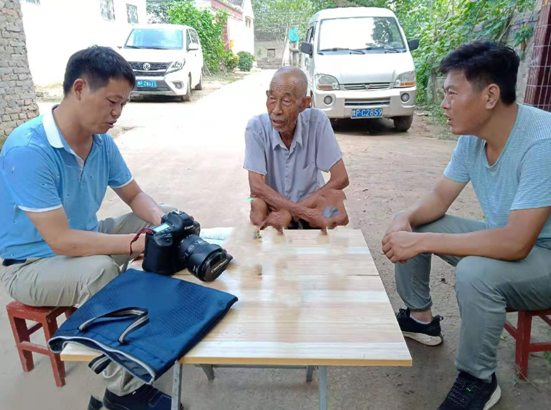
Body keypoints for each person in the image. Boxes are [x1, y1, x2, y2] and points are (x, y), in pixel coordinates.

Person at [0, 46, 181, 410]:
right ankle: (126, 391)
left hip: (87, 236)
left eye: (124, 105)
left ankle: (152, 322)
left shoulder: (101, 143)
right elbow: (62, 240)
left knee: (170, 219)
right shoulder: (28, 149)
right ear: (80, 88)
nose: (116, 113)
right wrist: (134, 245)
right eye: (112, 102)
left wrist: (164, 224)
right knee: (97, 270)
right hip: (31, 264)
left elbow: (135, 196)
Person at [382, 41, 551, 410]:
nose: (443, 103)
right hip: (511, 242)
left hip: (544, 256)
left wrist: (422, 244)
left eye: (452, 93)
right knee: (418, 229)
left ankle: (479, 379)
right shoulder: (475, 137)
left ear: (490, 95)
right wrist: (405, 220)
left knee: (476, 273)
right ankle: (420, 319)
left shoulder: (543, 142)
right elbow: (440, 199)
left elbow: (517, 243)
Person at [244, 66, 349, 232]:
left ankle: (300, 223)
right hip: (276, 207)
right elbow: (256, 186)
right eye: (272, 99)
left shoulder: (317, 121)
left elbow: (341, 178)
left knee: (339, 214)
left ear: (304, 104)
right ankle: (276, 226)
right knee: (256, 205)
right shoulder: (256, 127)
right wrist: (297, 211)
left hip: (312, 204)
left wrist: (291, 213)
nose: (276, 110)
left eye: (286, 101)